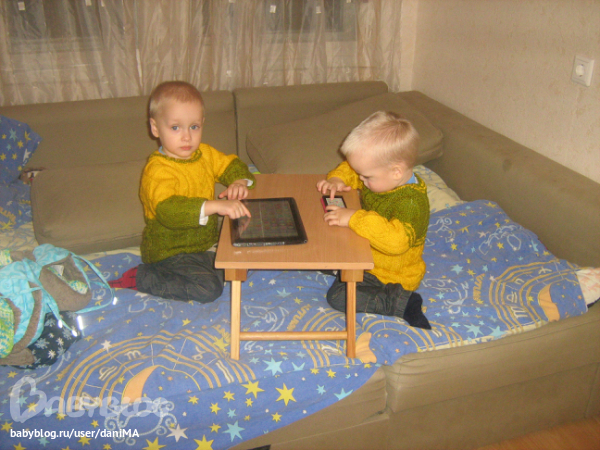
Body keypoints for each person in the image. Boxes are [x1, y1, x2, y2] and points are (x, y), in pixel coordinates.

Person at [110, 81, 255, 303]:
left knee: (241, 261)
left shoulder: (205, 153)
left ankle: (210, 265)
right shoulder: (157, 169)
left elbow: (231, 165)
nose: (187, 137)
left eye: (194, 127)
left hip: (203, 246)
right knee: (208, 290)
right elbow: (169, 211)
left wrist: (239, 181)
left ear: (202, 124)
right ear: (155, 128)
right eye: (175, 128)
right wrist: (214, 205)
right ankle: (142, 277)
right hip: (169, 253)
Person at [316, 111, 431, 329]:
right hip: (368, 253)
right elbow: (353, 168)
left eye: (366, 177)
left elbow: (395, 242)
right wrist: (337, 179)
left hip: (390, 275)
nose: (361, 179)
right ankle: (340, 267)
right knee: (322, 247)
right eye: (360, 175)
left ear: (396, 172)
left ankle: (400, 302)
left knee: (338, 297)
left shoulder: (411, 203)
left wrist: (354, 217)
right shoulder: (382, 177)